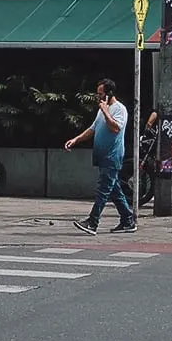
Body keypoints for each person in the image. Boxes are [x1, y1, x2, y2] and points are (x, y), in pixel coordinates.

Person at [64, 78, 136, 235]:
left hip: (113, 155)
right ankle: (127, 220)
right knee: (114, 189)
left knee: (103, 189)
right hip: (102, 156)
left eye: (101, 94)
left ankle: (93, 221)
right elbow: (93, 129)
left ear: (109, 94)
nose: (98, 97)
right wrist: (76, 139)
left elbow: (116, 128)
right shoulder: (101, 110)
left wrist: (105, 110)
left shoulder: (119, 109)